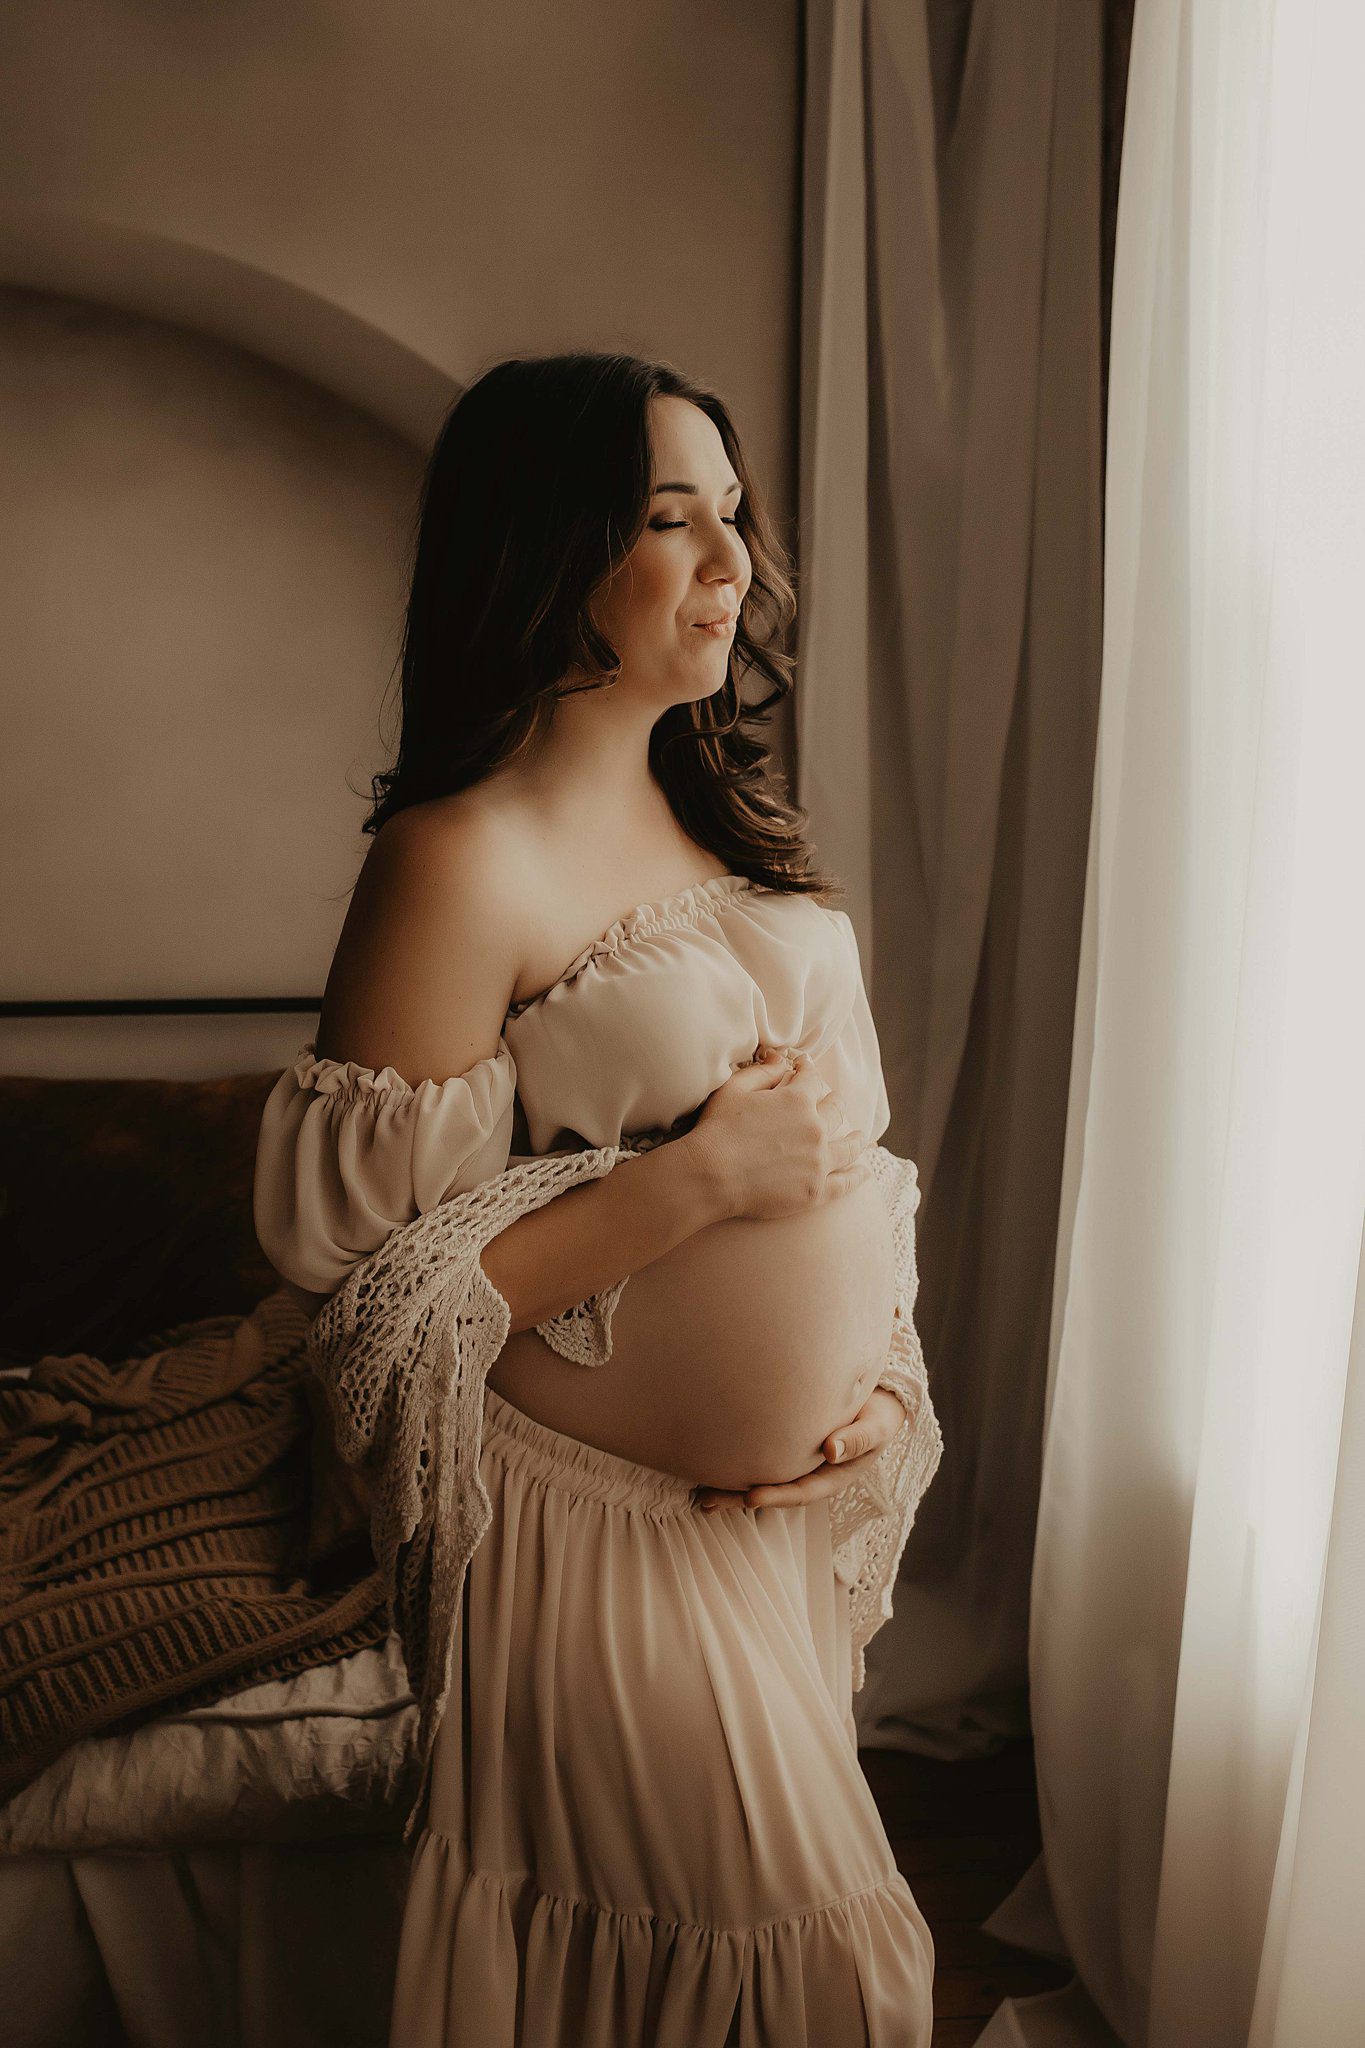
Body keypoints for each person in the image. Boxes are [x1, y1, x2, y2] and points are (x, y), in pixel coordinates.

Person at [253, 351, 941, 2045]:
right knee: (813, 1982)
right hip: (573, 1525)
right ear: (549, 553)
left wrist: (875, 1395)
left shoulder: (736, 830)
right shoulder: (457, 859)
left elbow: (860, 1180)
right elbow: (367, 1282)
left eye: (733, 519)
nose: (733, 566)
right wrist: (702, 1179)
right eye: (667, 519)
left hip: (753, 1531)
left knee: (802, 1982)